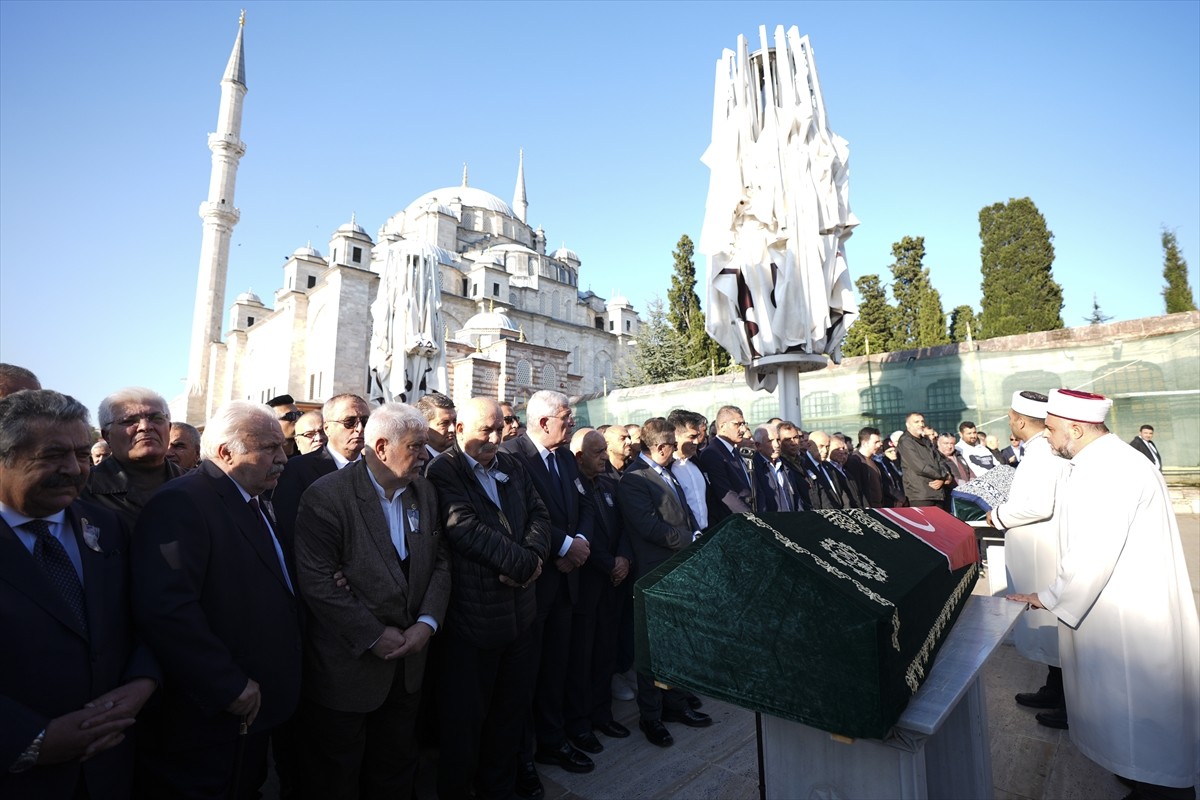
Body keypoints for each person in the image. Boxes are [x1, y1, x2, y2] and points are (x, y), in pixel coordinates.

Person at [1008, 389, 1199, 800]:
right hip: (1128, 597)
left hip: (1129, 612)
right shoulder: (1107, 461)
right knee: (1142, 711)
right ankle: (1148, 776)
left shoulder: (1107, 470)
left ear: (1076, 428)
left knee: (1140, 704)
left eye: (1055, 430)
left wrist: (1052, 595)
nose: (1050, 437)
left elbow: (1094, 549)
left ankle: (1160, 788)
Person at [131, 401, 303, 799]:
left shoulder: (255, 498)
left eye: (283, 447)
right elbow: (167, 609)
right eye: (269, 448)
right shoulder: (184, 502)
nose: (282, 459)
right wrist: (227, 686)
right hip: (212, 716)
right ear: (226, 452)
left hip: (254, 708)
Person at [0, 390, 160, 799]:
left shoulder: (105, 525)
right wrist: (30, 739)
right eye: (52, 455)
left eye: (82, 454)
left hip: (110, 766)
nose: (74, 470)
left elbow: (146, 616)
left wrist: (144, 680)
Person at [293, 402, 451, 799]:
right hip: (348, 670)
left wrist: (426, 625)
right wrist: (372, 635)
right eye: (416, 447)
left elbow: (441, 562)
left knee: (395, 769)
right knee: (337, 777)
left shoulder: (426, 492)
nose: (424, 456)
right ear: (381, 448)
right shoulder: (327, 496)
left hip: (409, 666)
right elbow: (318, 583)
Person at [425, 397, 549, 800]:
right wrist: (523, 566)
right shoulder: (444, 469)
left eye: (500, 428)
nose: (495, 438)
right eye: (485, 430)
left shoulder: (511, 465)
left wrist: (530, 560)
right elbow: (463, 527)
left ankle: (498, 788)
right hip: (473, 623)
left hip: (519, 619)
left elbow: (539, 515)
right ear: (459, 430)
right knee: (465, 722)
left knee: (509, 715)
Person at [499, 391, 594, 783]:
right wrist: (564, 545)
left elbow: (584, 502)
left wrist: (581, 543)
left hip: (567, 581)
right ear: (542, 422)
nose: (571, 423)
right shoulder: (511, 455)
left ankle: (554, 741)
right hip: (534, 583)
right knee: (524, 677)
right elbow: (518, 516)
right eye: (566, 417)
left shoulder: (566, 458)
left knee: (557, 668)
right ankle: (522, 757)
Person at [617, 418, 710, 748]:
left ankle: (674, 704)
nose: (676, 450)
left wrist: (696, 533)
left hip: (675, 568)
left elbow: (683, 511)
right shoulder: (634, 480)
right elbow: (648, 527)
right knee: (652, 649)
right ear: (658, 447)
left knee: (674, 642)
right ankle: (651, 717)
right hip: (653, 572)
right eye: (671, 445)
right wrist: (691, 538)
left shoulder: (664, 470)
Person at [985, 391, 1071, 729]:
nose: (1009, 422)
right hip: (1038, 548)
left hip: (1042, 551)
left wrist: (998, 515)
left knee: (1052, 627)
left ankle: (1067, 703)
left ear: (1020, 421)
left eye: (1010, 417)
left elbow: (1038, 505)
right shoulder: (1040, 450)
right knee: (1048, 629)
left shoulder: (1042, 454)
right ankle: (1054, 689)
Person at [568, 428, 633, 748]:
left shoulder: (609, 483)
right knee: (582, 656)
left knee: (606, 649)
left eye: (606, 450)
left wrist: (623, 557)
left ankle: (602, 714)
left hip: (613, 582)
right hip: (586, 584)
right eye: (599, 453)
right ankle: (580, 723)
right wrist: (609, 563)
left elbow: (623, 525)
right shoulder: (571, 485)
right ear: (580, 456)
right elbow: (582, 536)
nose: (606, 457)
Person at [271, 393, 371, 550]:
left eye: (365, 421)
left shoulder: (377, 469)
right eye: (349, 422)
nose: (359, 428)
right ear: (327, 428)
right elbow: (291, 529)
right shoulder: (296, 469)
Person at [82, 388, 184, 529]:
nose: (145, 427)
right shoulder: (81, 490)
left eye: (157, 418)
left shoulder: (197, 487)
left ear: (169, 428)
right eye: (129, 421)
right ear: (107, 436)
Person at [696, 405, 753, 525]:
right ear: (722, 426)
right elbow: (725, 493)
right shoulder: (712, 453)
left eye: (744, 424)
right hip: (733, 522)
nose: (743, 429)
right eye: (737, 424)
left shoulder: (734, 451)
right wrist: (751, 518)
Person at [668, 410, 712, 530]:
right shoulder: (666, 469)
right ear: (675, 435)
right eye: (691, 437)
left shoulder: (698, 463)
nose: (697, 442)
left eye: (697, 436)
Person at [896, 412, 950, 509]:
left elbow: (940, 460)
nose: (921, 424)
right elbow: (920, 467)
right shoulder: (906, 441)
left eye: (922, 421)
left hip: (938, 493)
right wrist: (943, 476)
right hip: (920, 494)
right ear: (908, 425)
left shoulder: (926, 440)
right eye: (916, 422)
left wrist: (943, 476)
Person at [751, 423, 808, 512]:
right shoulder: (753, 468)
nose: (777, 445)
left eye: (778, 440)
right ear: (758, 445)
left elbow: (796, 498)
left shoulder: (785, 466)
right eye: (770, 441)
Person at [845, 427, 886, 508]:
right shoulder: (855, 461)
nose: (880, 444)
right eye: (876, 442)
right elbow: (856, 489)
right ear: (865, 443)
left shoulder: (874, 461)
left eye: (880, 441)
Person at [416, 392, 457, 464]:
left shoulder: (462, 460)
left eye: (454, 421)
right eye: (444, 423)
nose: (452, 429)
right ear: (424, 426)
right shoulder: (417, 463)